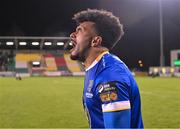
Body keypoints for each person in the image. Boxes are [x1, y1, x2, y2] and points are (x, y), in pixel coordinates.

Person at [69, 9, 143, 128]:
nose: (72, 35)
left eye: (79, 30)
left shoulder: (109, 78)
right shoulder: (97, 67)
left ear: (95, 41)